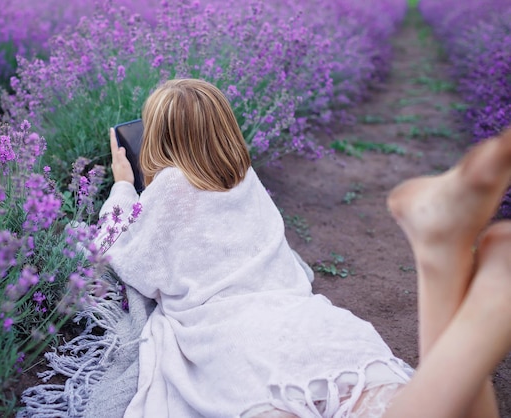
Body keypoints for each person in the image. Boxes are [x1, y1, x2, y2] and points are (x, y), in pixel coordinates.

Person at [91, 78, 511, 417]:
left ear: (159, 140)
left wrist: (124, 186)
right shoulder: (243, 178)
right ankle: (446, 264)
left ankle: (448, 264)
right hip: (299, 316)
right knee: (378, 394)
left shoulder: (171, 186)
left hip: (229, 334)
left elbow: (123, 250)